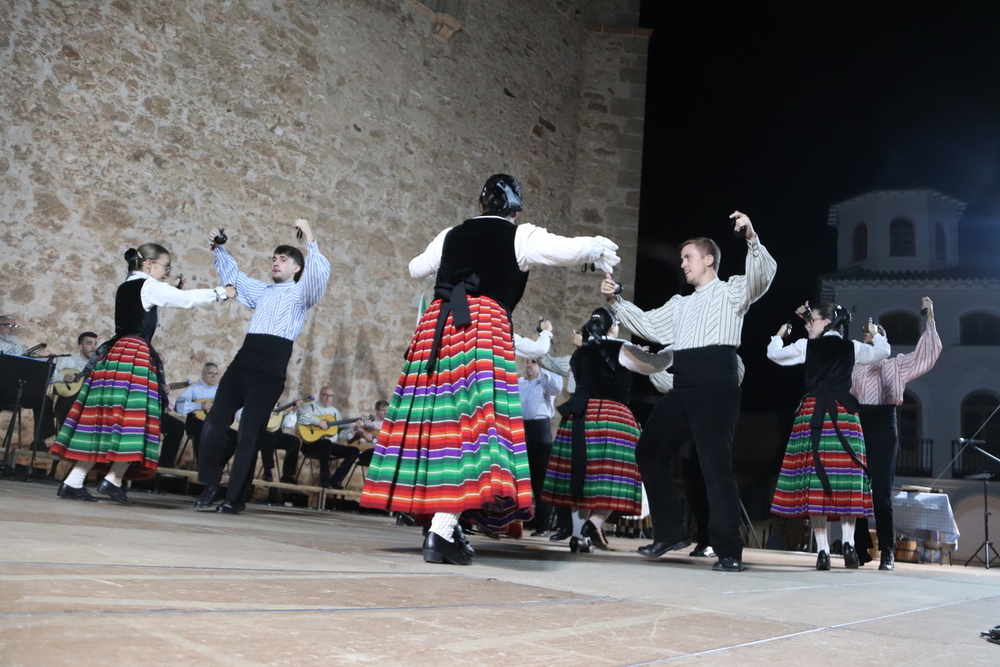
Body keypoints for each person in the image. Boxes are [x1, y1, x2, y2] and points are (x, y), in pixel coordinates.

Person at [361, 173, 620, 566]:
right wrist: (598, 249)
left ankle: (445, 524)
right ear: (514, 208)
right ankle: (442, 529)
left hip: (438, 326)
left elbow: (416, 268)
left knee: (437, 426)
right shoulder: (520, 237)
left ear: (480, 204)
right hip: (481, 326)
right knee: (478, 428)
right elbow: (566, 249)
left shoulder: (450, 234)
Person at [601, 211, 776, 572]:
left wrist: (751, 237)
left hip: (717, 386)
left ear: (708, 259)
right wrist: (617, 298)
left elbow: (762, 276)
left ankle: (728, 549)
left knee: (715, 467)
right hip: (683, 386)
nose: (683, 264)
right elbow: (649, 324)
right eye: (682, 259)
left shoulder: (732, 292)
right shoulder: (679, 304)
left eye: (688, 258)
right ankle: (670, 533)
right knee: (649, 450)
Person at [50, 244, 235, 503]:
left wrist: (173, 289)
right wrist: (221, 293)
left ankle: (77, 480)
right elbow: (186, 301)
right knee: (135, 419)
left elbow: (149, 306)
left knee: (108, 419)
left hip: (116, 354)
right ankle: (111, 479)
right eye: (165, 266)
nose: (166, 271)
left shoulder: (129, 285)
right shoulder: (148, 286)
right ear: (149, 264)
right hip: (133, 356)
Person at [195, 219, 331, 514]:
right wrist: (220, 245)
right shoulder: (263, 291)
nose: (275, 263)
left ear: (296, 267)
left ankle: (234, 498)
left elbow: (319, 275)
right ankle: (210, 483)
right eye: (274, 259)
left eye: (283, 260)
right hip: (244, 360)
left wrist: (309, 236)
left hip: (270, 368)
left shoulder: (301, 293)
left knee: (249, 432)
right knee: (214, 424)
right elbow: (235, 277)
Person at [767, 303, 890, 570]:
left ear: (827, 322)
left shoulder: (806, 346)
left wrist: (778, 335)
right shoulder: (852, 347)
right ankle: (847, 544)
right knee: (848, 481)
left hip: (813, 415)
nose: (811, 322)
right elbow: (883, 351)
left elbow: (773, 354)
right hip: (845, 414)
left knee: (816, 484)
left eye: (815, 319)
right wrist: (874, 331)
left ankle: (823, 550)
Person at [542, 308, 671, 552]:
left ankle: (579, 537)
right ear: (613, 327)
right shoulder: (620, 347)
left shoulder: (578, 354)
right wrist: (675, 348)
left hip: (580, 416)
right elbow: (654, 365)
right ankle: (594, 523)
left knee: (581, 480)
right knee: (620, 475)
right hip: (613, 417)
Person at [852, 297, 941, 570]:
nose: (868, 337)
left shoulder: (895, 365)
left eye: (873, 334)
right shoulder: (853, 366)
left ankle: (888, 551)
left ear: (883, 341)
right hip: (858, 423)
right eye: (866, 335)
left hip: (883, 424)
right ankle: (858, 549)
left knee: (881, 492)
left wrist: (929, 318)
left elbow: (925, 357)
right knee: (857, 490)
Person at [518, 354, 563, 537]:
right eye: (527, 362)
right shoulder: (521, 383)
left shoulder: (545, 383)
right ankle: (512, 520)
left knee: (540, 480)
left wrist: (543, 366)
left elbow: (557, 387)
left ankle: (543, 525)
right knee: (519, 478)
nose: (529, 365)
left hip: (539, 430)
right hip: (521, 430)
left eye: (532, 362)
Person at [296, 387, 360, 490]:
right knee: (326, 443)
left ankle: (335, 480)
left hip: (328, 445)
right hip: (310, 444)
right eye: (325, 395)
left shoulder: (335, 412)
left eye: (330, 396)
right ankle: (324, 481)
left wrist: (354, 428)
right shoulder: (311, 406)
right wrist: (317, 422)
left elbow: (341, 434)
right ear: (320, 395)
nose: (327, 398)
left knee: (354, 451)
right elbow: (300, 417)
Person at [174, 362, 222, 462]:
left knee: (233, 437)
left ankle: (219, 465)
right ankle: (202, 465)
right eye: (210, 373)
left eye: (216, 374)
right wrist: (199, 405)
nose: (213, 377)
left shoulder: (221, 391)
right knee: (203, 429)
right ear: (203, 374)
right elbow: (178, 406)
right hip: (195, 422)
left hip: (215, 422)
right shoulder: (194, 389)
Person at [51, 332, 99, 429]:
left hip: (90, 401)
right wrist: (62, 378)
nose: (93, 347)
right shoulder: (68, 360)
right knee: (69, 401)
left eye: (95, 344)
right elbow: (48, 374)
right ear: (80, 346)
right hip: (69, 402)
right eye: (89, 343)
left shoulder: (98, 364)